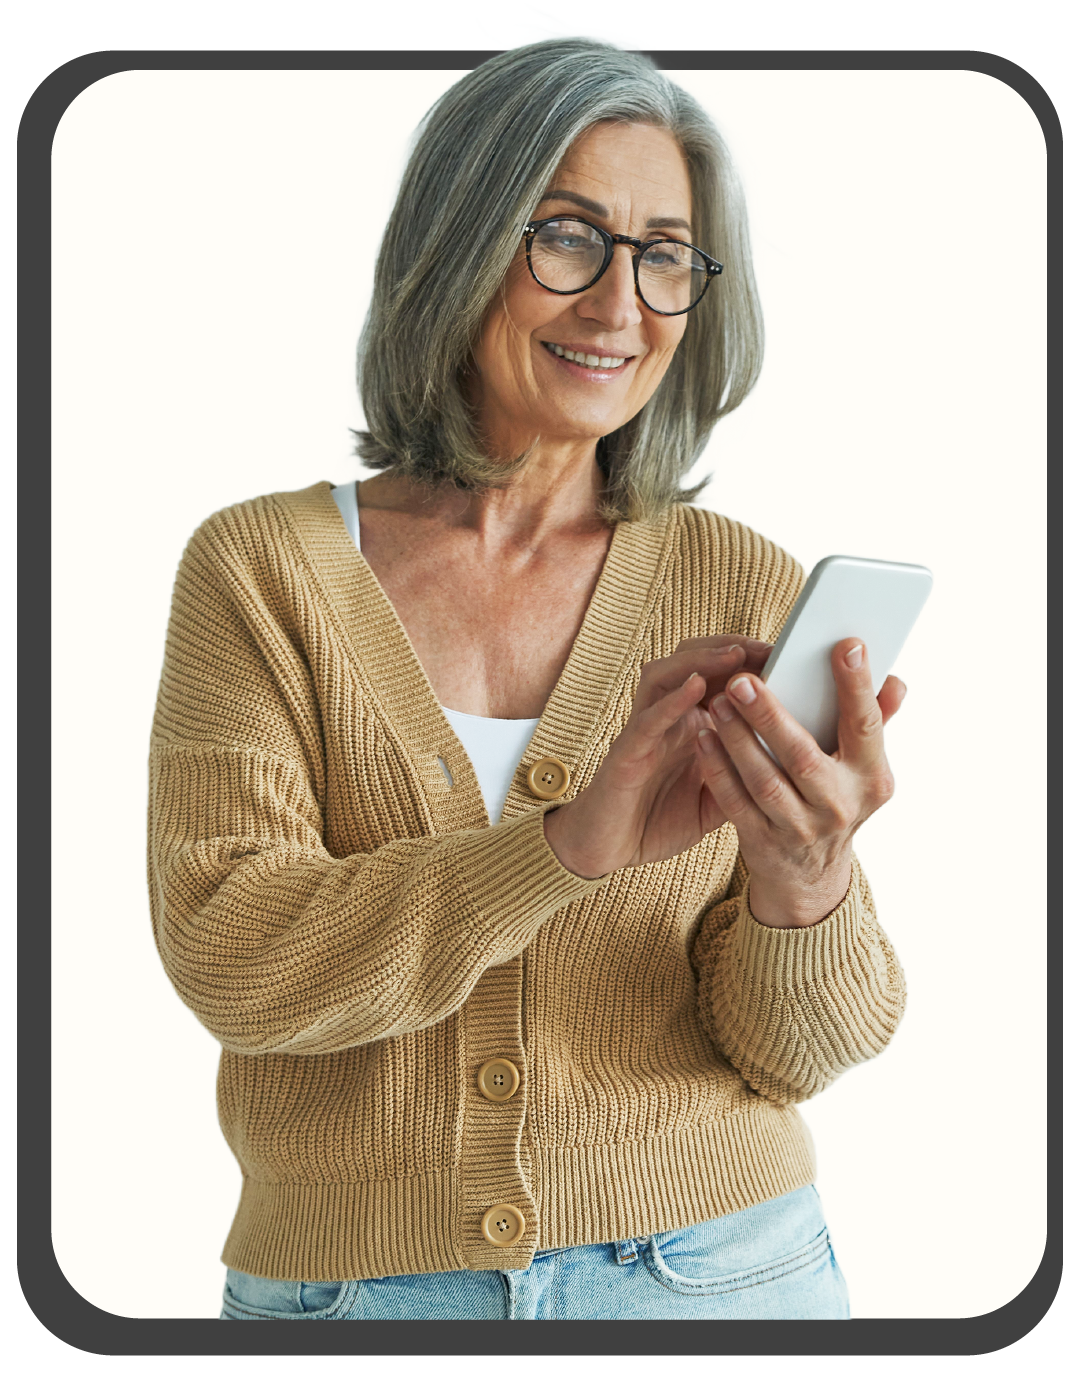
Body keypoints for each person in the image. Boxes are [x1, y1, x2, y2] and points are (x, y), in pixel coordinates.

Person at [148, 36, 907, 1322]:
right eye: (568, 238)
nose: (620, 307)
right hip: (354, 1294)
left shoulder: (734, 582)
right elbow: (233, 953)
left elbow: (803, 1049)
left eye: (665, 254)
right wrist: (559, 847)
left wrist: (805, 881)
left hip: (718, 1273)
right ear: (457, 241)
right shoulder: (262, 569)